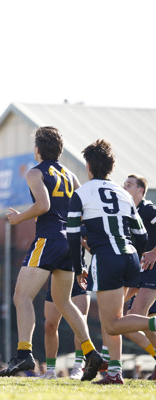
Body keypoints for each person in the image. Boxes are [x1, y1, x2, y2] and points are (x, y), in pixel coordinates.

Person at [1, 126, 103, 381]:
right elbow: (83, 209)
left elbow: (43, 205)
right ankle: (90, 351)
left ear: (38, 148)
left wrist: (18, 219)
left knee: (21, 296)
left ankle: (24, 353)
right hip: (71, 242)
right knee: (63, 301)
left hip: (48, 239)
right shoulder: (71, 175)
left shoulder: (36, 172)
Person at [68, 139, 156, 385]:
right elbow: (142, 236)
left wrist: (78, 268)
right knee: (114, 319)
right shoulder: (123, 193)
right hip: (129, 257)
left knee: (113, 323)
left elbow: (73, 235)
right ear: (111, 167)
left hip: (107, 259)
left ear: (88, 166)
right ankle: (115, 373)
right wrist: (133, 259)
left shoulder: (81, 193)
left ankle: (153, 323)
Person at [122, 174, 156, 377]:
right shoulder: (126, 213)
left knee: (133, 318)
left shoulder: (148, 209)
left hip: (153, 269)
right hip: (139, 274)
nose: (124, 187)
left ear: (140, 191)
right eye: (124, 184)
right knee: (136, 324)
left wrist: (153, 252)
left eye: (129, 184)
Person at [40, 275, 90, 380]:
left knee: (80, 321)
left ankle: (78, 367)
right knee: (49, 325)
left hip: (77, 276)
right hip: (57, 275)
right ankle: (50, 371)